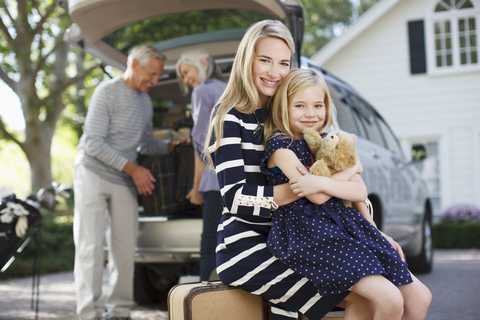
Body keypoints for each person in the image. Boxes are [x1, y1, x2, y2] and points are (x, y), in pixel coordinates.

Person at [204, 20, 373, 320]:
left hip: (299, 237)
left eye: (283, 63)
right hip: (247, 244)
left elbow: (341, 175)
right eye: (264, 60)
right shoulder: (230, 115)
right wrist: (307, 189)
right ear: (247, 60)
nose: (274, 72)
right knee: (366, 293)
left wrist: (373, 233)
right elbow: (237, 199)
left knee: (377, 291)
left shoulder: (293, 110)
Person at [261, 68, 432, 320]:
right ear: (282, 108)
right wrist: (351, 168)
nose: (310, 113)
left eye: (318, 105)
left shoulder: (327, 142)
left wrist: (376, 230)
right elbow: (314, 194)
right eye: (300, 105)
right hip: (311, 233)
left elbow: (359, 190)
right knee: (389, 299)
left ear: (327, 107)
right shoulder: (281, 147)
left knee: (420, 297)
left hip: (349, 227)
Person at [73, 45, 176, 320]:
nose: (155, 82)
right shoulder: (106, 92)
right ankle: (89, 314)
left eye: (157, 76)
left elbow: (144, 142)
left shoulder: (145, 101)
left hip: (123, 178)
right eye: (152, 74)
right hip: (92, 173)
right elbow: (93, 142)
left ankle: (119, 312)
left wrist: (170, 146)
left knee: (124, 248)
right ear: (134, 64)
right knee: (90, 248)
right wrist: (134, 169)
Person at [176, 48, 226, 281]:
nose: (186, 79)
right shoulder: (231, 89)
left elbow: (202, 144)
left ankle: (205, 304)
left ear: (204, 63)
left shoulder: (202, 91)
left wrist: (196, 188)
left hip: (215, 180)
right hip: (242, 179)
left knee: (210, 244)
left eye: (187, 72)